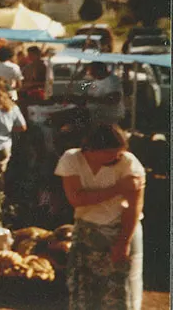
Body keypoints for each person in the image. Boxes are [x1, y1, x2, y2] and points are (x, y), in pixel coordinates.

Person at [54, 124, 145, 310]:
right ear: (93, 149)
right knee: (84, 294)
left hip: (122, 230)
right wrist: (118, 188)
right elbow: (77, 199)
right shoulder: (71, 159)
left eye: (120, 153)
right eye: (111, 153)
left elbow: (134, 206)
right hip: (86, 232)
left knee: (120, 294)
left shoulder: (129, 162)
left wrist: (124, 242)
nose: (117, 157)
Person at [85, 62, 125, 126]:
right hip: (95, 117)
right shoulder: (95, 81)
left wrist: (90, 99)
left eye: (91, 71)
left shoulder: (113, 80)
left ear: (99, 70)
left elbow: (113, 100)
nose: (89, 73)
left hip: (110, 119)